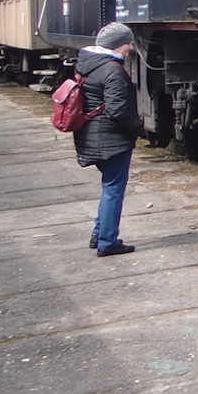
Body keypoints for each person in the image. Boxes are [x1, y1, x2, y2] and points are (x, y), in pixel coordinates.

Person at [74, 22, 143, 257]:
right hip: (110, 140)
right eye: (127, 43)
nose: (130, 48)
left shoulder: (89, 65)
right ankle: (107, 242)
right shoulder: (112, 70)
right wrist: (138, 128)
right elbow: (117, 111)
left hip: (92, 136)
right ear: (117, 45)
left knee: (108, 187)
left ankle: (99, 233)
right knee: (113, 189)